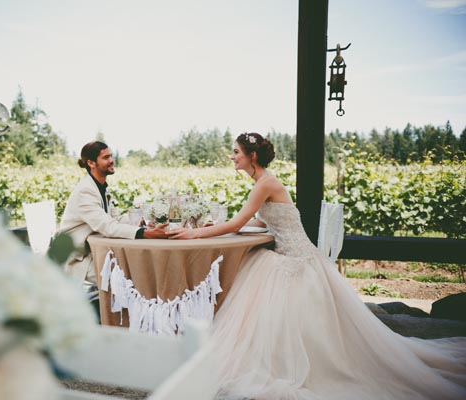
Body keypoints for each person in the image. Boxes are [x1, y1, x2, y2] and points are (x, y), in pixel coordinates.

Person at [167, 132, 466, 399]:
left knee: (265, 288)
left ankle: (290, 364)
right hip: (287, 255)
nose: (232, 157)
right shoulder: (263, 182)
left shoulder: (265, 183)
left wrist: (196, 233)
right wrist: (216, 228)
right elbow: (259, 221)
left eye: (236, 152)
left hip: (297, 260)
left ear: (252, 156)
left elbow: (238, 222)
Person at [59, 141, 168, 292]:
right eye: (106, 157)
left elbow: (115, 220)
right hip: (76, 260)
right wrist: (146, 233)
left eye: (111, 156)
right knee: (125, 279)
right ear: (91, 163)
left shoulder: (100, 187)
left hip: (95, 252)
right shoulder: (85, 191)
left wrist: (141, 221)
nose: (111, 160)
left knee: (134, 269)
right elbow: (108, 227)